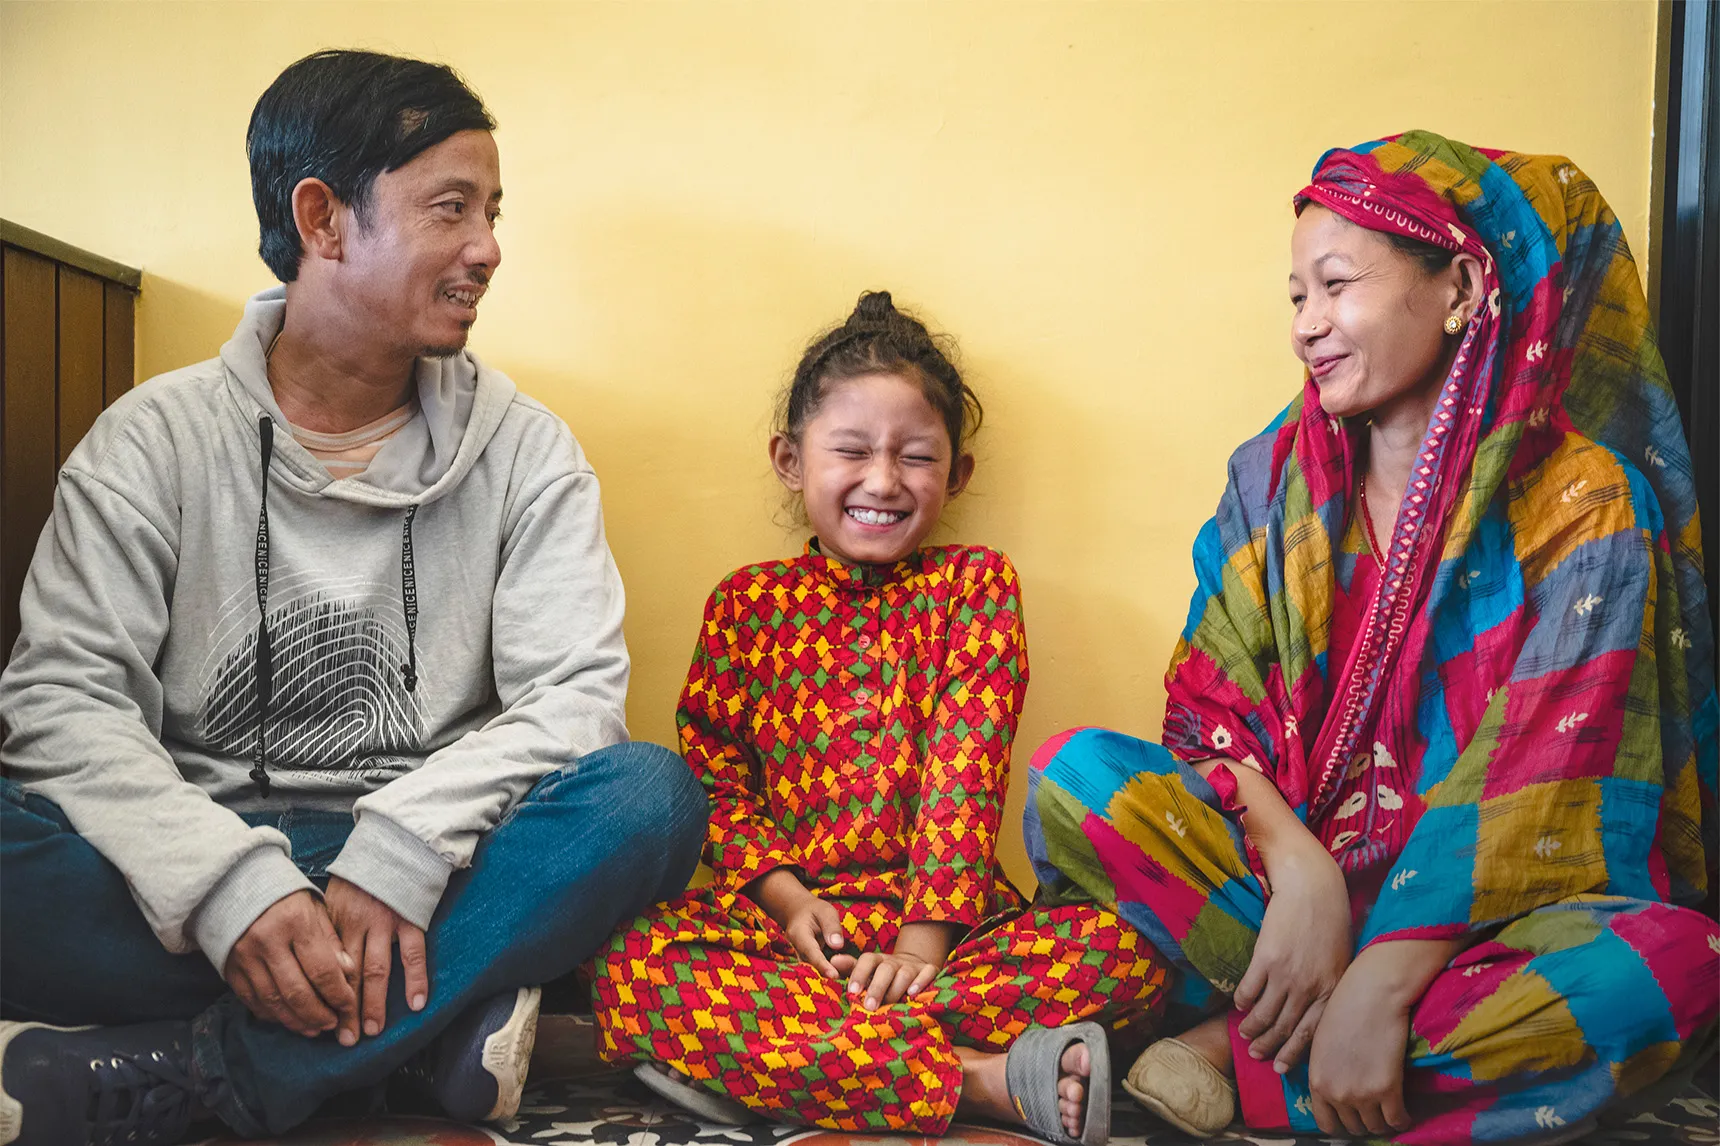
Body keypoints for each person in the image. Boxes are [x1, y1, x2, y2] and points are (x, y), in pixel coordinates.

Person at [0, 49, 707, 1146]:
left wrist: (399, 854)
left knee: (648, 802)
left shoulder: (529, 453)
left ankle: (220, 1072)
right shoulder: (151, 442)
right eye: (451, 209)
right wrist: (232, 887)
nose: (488, 249)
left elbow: (574, 703)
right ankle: (424, 1030)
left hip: (437, 867)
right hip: (197, 868)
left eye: (491, 210)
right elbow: (61, 703)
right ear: (324, 220)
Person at [1024, 131, 1720, 1144]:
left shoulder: (1582, 501)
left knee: (1676, 967)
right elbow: (1206, 718)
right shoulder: (1270, 480)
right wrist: (1300, 867)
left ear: (1459, 290)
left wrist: (1388, 972)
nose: (1308, 324)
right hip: (1275, 897)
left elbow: (1549, 781)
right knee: (1075, 777)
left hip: (1479, 924)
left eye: (1335, 285)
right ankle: (1345, 1054)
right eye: (1295, 297)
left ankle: (1250, 1059)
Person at [591, 292, 1169, 1145]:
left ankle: (797, 1069)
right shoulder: (747, 605)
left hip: (952, 937)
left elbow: (965, 774)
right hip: (789, 937)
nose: (884, 481)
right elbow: (714, 778)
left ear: (958, 474)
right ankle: (979, 1079)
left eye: (918, 457)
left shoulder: (975, 590)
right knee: (629, 960)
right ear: (791, 459)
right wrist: (789, 907)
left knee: (1128, 953)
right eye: (852, 451)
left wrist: (922, 947)